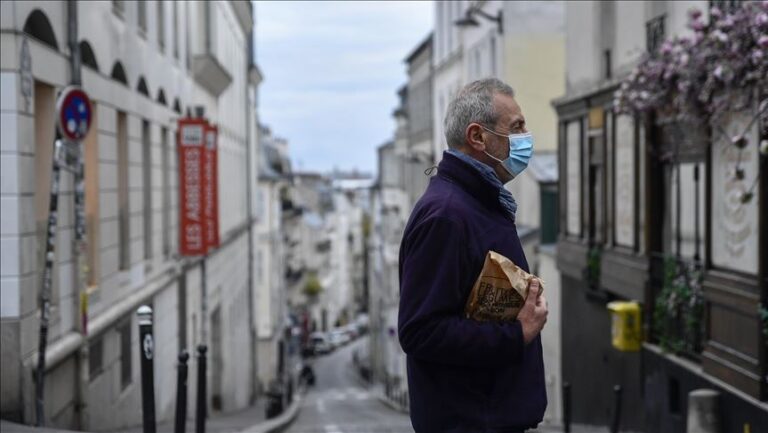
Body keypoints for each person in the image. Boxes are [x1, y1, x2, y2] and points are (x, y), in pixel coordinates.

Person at [398, 78, 549, 433]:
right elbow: (420, 331)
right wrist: (516, 334)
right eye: (516, 127)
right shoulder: (447, 216)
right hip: (471, 421)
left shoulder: (475, 202)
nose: (526, 136)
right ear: (478, 137)